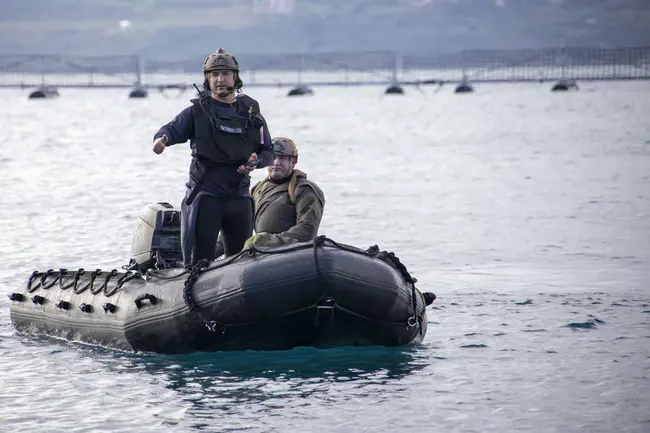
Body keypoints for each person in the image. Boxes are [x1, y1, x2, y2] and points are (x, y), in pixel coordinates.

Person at [151, 48, 274, 266]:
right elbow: (170, 130)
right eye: (214, 75)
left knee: (241, 262)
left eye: (225, 74)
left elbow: (268, 152)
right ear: (207, 80)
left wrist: (256, 162)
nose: (219, 79)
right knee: (200, 262)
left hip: (239, 197)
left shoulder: (252, 112)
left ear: (235, 78)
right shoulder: (197, 112)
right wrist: (161, 140)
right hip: (206, 197)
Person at [214, 136, 325, 255]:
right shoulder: (257, 190)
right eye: (273, 157)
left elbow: (307, 230)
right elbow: (237, 228)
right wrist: (212, 251)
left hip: (291, 256)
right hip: (262, 257)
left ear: (293, 161)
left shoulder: (303, 190)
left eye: (282, 158)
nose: (276, 163)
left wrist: (268, 242)